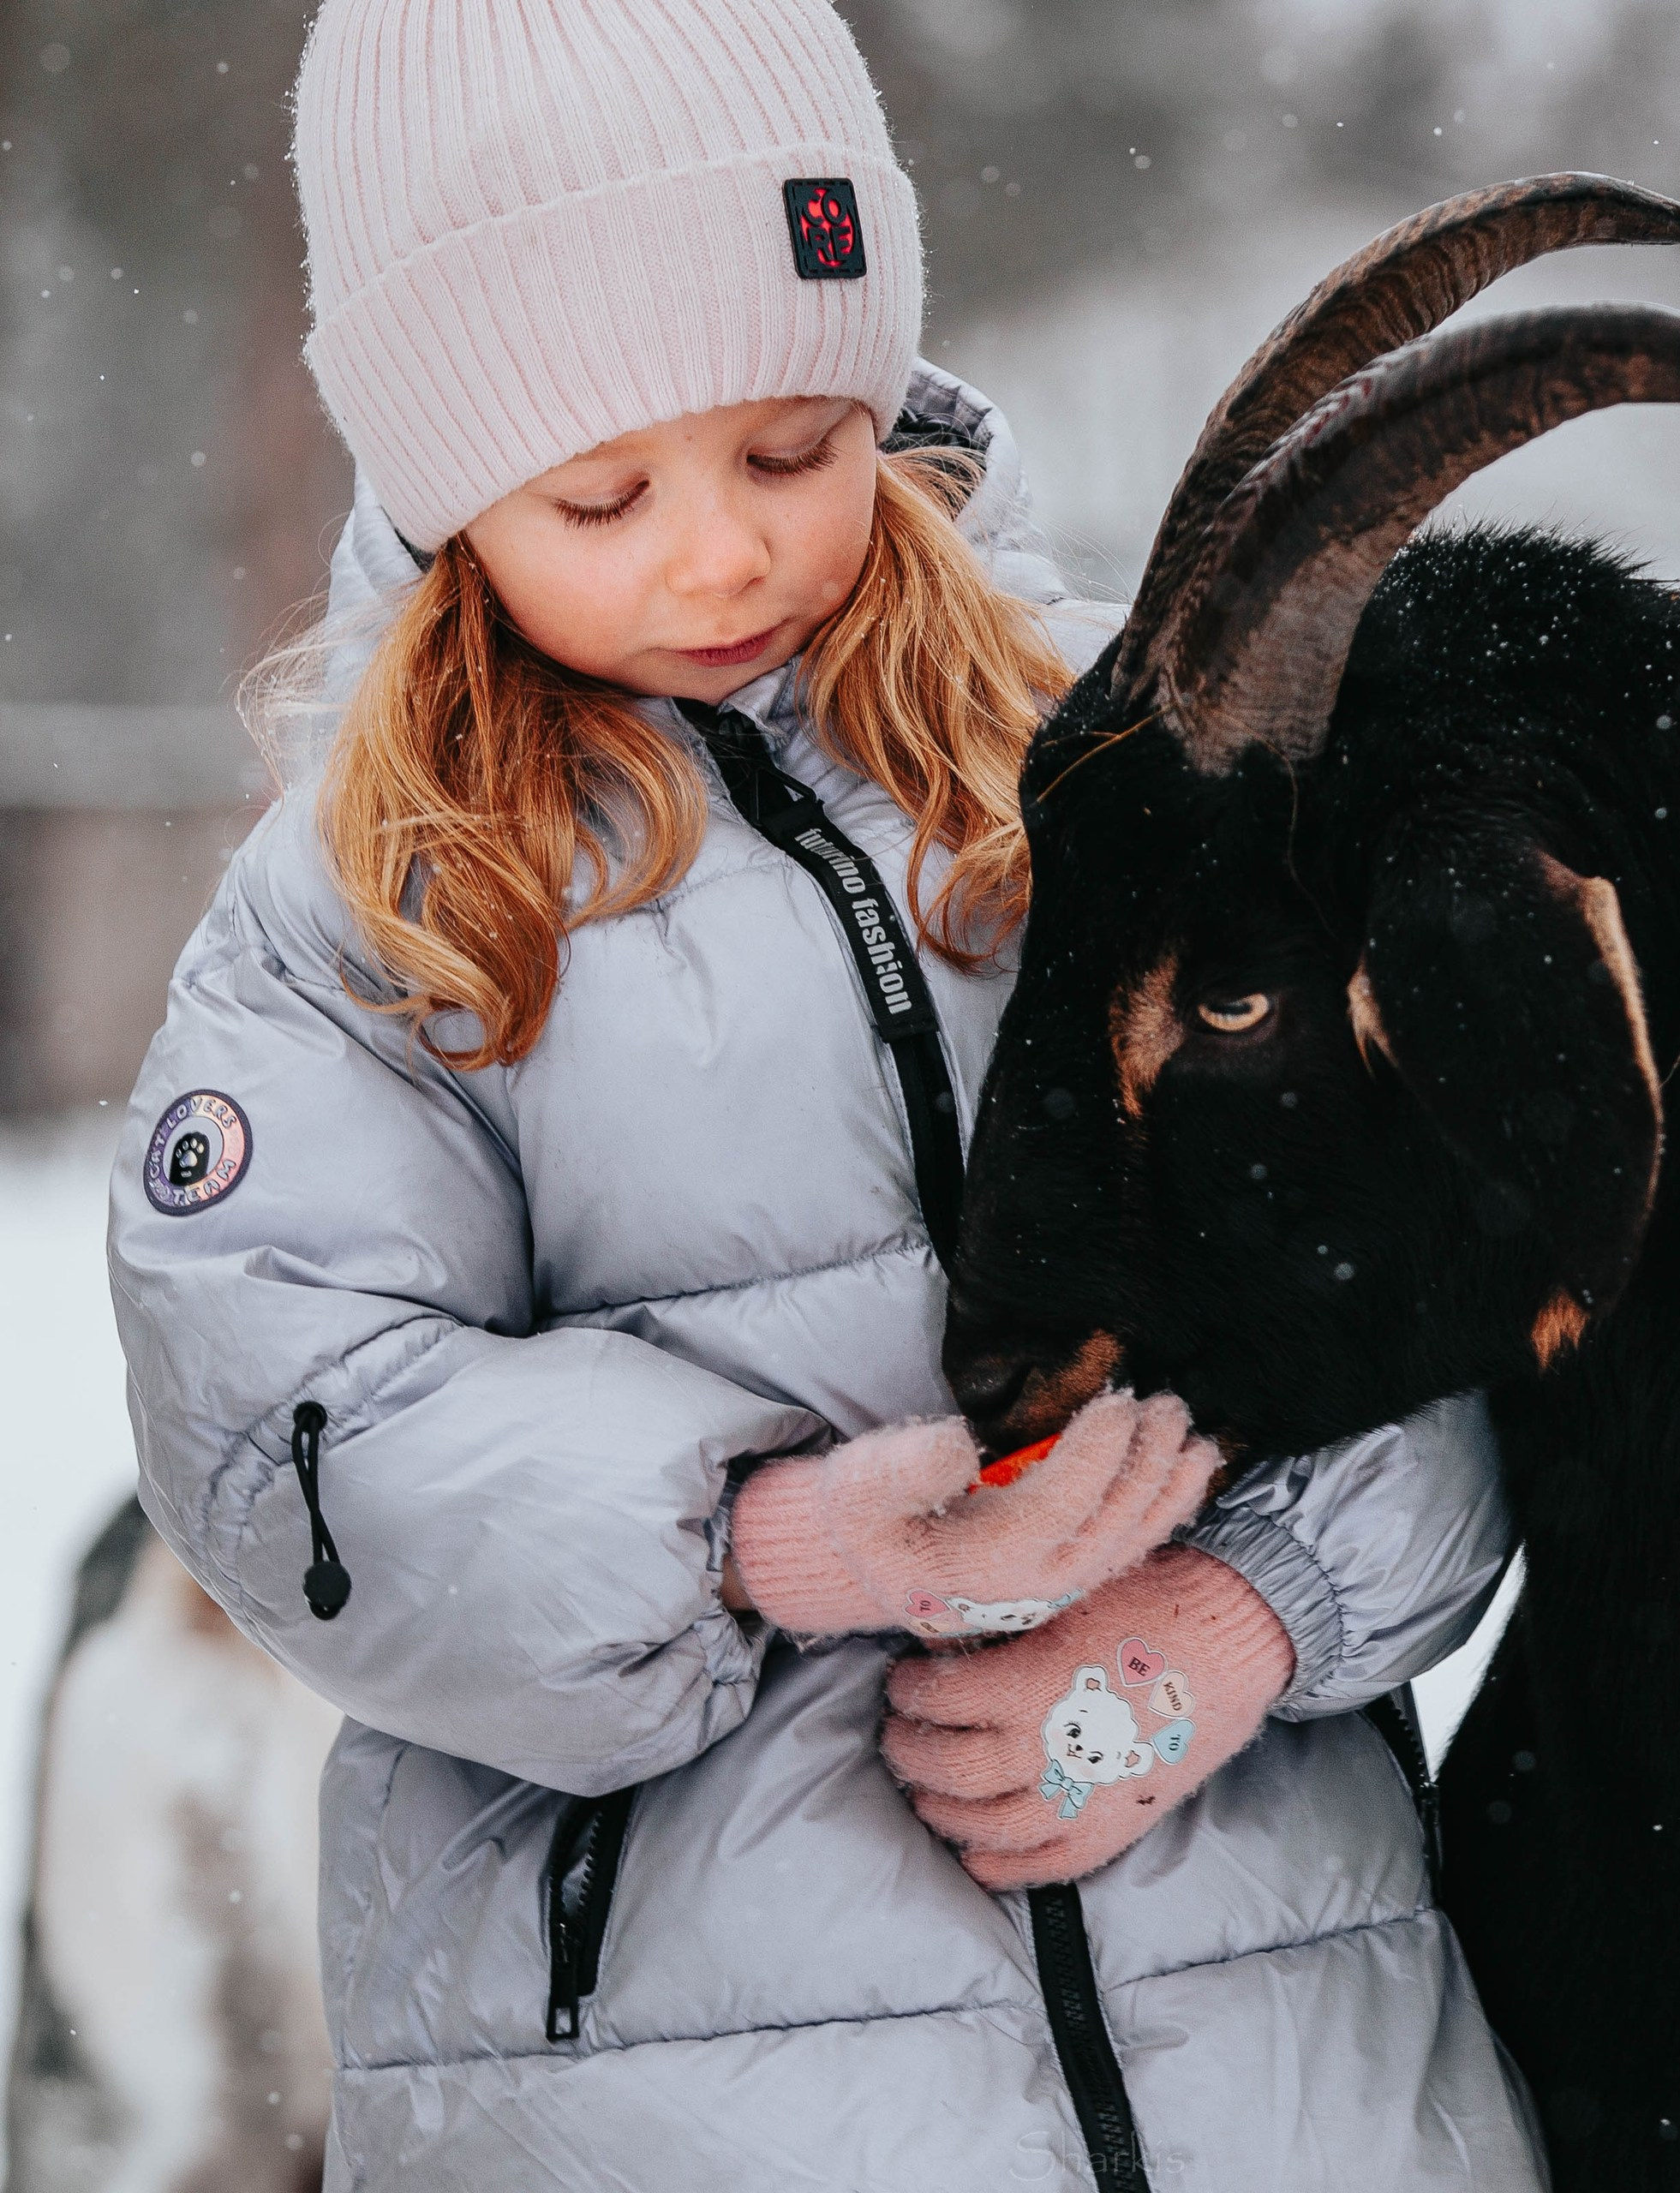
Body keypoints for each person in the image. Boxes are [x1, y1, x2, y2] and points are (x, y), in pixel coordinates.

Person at [106, 2, 1542, 2185]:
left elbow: (1441, 1259)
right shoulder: (373, 907)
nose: (717, 554)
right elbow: (288, 1434)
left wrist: (1245, 1617)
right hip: (674, 2096)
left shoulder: (1122, 759)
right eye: (601, 491)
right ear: (442, 478)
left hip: (1281, 2037)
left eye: (792, 449)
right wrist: (760, 1535)